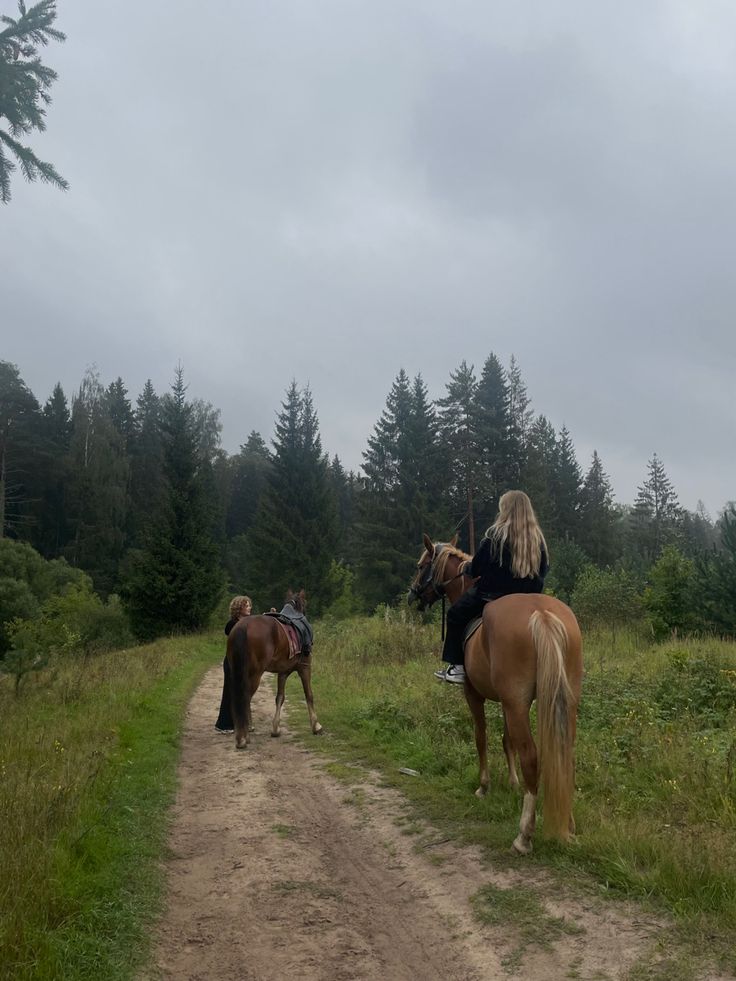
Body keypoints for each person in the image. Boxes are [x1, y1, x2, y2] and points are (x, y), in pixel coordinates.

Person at [435, 490, 549, 684]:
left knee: (455, 614)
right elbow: (544, 570)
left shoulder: (495, 536)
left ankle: (457, 668)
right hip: (530, 598)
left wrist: (468, 567)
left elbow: (477, 567)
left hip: (493, 596)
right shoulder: (537, 540)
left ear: (505, 509)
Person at [214, 594, 252, 733]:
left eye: (249, 605)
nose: (249, 608)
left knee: (244, 691)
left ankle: (241, 722)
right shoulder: (232, 624)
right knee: (230, 692)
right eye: (246, 605)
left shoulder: (248, 622)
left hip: (244, 662)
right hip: (232, 661)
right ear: (239, 607)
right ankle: (224, 724)